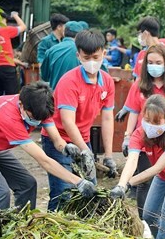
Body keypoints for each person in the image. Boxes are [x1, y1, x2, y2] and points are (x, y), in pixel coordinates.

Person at [0, 82, 95, 211]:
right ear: (21, 105)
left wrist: (65, 147)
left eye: (40, 120)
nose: (37, 122)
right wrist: (78, 181)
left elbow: (57, 140)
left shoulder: (41, 105)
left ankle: (22, 225)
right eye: (33, 118)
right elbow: (44, 161)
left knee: (27, 184)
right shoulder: (10, 118)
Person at [41, 30, 116, 211]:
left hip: (83, 138)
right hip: (59, 140)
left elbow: (107, 119)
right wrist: (85, 151)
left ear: (104, 54)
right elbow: (67, 122)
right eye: (86, 57)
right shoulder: (69, 82)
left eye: (96, 57)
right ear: (78, 55)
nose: (92, 61)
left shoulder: (106, 81)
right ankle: (52, 229)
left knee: (89, 188)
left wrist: (108, 155)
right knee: (63, 191)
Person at [122, 44, 165, 215]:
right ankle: (146, 222)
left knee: (164, 181)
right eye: (150, 62)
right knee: (144, 181)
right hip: (145, 137)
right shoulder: (139, 86)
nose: (154, 66)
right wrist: (127, 137)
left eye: (158, 62)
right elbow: (134, 113)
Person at [110, 95, 165, 239]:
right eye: (147, 120)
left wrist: (128, 183)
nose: (150, 125)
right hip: (163, 177)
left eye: (156, 122)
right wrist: (120, 185)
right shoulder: (140, 133)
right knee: (149, 215)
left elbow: (157, 168)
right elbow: (132, 161)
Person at [0, 11, 27, 97]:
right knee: (12, 96)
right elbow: (23, 27)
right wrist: (15, 16)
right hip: (6, 67)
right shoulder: (5, 29)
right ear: (1, 19)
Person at [40, 21, 85, 89]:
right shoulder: (83, 51)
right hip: (76, 95)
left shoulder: (51, 51)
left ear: (64, 33)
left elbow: (45, 76)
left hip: (55, 95)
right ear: (80, 36)